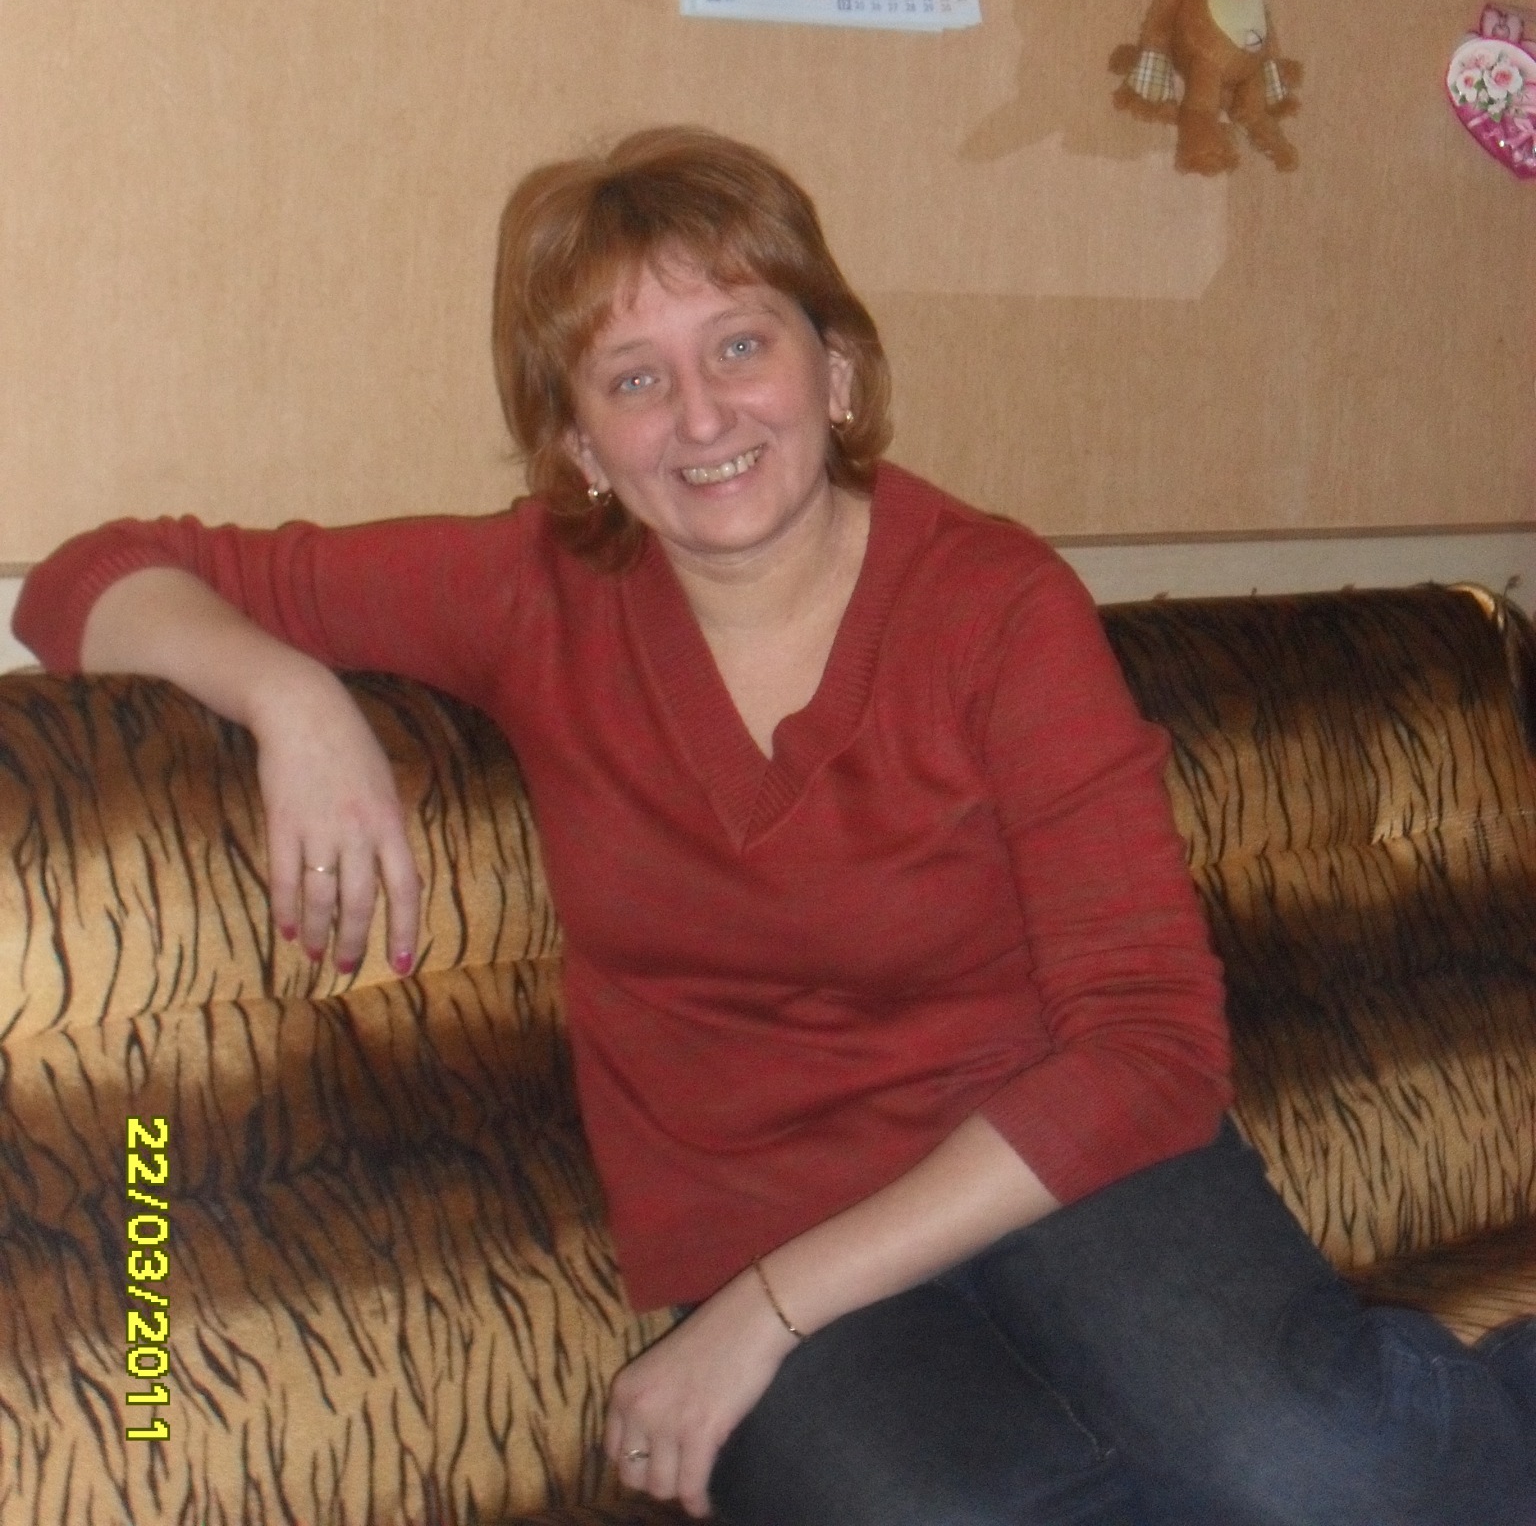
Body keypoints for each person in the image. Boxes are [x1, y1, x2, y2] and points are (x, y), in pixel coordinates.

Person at [15, 127, 1536, 1526]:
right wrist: (291, 697)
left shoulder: (996, 606)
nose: (701, 415)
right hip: (763, 1218)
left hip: (1064, 1169)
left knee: (1318, 1470)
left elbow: (1150, 1046)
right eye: (633, 379)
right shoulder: (533, 592)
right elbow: (88, 579)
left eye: (742, 343)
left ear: (840, 373)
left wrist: (764, 1311)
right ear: (579, 448)